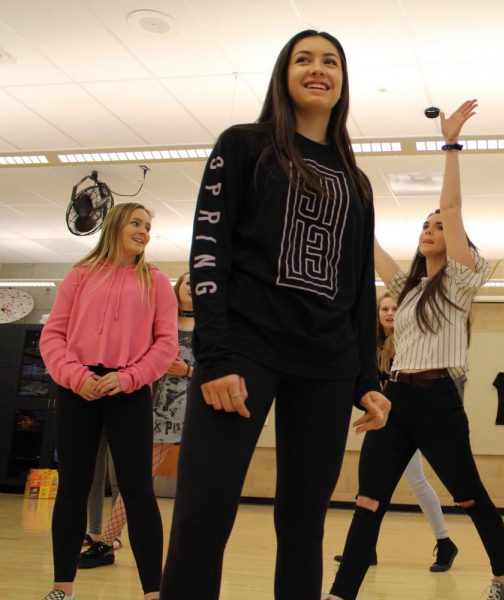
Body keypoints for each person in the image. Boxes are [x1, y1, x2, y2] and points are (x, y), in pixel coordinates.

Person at [159, 30, 390, 600]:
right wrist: (214, 357)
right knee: (202, 517)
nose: (318, 69)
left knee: (303, 525)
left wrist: (367, 379)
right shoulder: (242, 145)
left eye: (330, 61)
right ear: (283, 75)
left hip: (328, 368)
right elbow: (208, 250)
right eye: (303, 59)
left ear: (343, 83)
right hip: (244, 355)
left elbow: (360, 288)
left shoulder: (356, 184)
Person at [326, 100, 504, 600]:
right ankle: (341, 592)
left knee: (469, 496)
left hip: (438, 400)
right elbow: (368, 245)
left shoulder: (460, 280)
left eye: (437, 226)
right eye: (426, 226)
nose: (430, 228)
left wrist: (451, 145)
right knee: (368, 499)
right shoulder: (408, 288)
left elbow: (453, 210)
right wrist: (347, 187)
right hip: (396, 400)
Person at [39, 202, 178, 600]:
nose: (144, 232)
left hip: (128, 392)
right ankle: (62, 586)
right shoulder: (80, 276)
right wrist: (77, 377)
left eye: (148, 227)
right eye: (136, 223)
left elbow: (165, 345)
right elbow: (54, 336)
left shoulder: (155, 281)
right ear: (116, 225)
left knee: (137, 490)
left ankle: (154, 591)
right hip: (78, 390)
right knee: (73, 487)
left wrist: (129, 377)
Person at [333, 293, 459, 571]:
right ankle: (367, 549)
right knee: (374, 485)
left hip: (408, 422)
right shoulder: (371, 345)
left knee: (413, 481)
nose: (390, 313)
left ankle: (445, 542)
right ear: (377, 314)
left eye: (395, 308)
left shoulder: (408, 342)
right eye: (385, 308)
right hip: (385, 423)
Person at [79, 272, 194, 568]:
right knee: (137, 479)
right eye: (187, 282)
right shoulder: (161, 324)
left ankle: (190, 551)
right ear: (176, 290)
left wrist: (188, 371)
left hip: (188, 412)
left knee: (197, 484)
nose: (193, 287)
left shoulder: (212, 329)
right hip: (144, 406)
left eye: (198, 282)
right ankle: (107, 540)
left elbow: (219, 370)